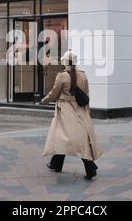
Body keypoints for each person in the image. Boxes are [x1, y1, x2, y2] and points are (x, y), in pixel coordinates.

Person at [42, 51, 102, 181]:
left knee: (63, 137)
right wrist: (88, 111)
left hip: (65, 111)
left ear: (65, 61)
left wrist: (44, 100)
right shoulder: (83, 76)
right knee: (76, 138)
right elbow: (86, 95)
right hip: (80, 111)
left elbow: (53, 93)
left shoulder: (62, 76)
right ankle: (56, 163)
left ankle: (90, 167)